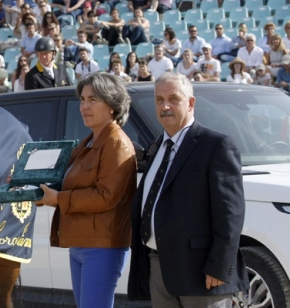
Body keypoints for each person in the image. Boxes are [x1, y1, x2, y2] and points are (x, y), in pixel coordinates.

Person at [128, 72, 249, 306]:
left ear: (191, 103)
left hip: (201, 272)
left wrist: (220, 266)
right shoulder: (157, 146)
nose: (165, 106)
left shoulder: (215, 145)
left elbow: (230, 215)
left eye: (173, 98)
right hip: (158, 267)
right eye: (159, 99)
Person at [37, 72, 136, 308]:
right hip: (82, 243)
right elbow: (65, 180)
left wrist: (58, 199)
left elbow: (106, 196)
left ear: (112, 105)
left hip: (102, 246)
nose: (84, 106)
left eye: (93, 100)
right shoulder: (89, 141)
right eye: (82, 99)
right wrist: (29, 184)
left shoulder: (116, 143)